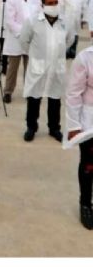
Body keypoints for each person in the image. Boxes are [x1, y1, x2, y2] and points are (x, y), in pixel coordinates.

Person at [20, 0, 70, 143]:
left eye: (55, 2)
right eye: (49, 3)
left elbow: (70, 39)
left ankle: (54, 128)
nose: (53, 6)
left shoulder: (64, 21)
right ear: (42, 5)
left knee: (55, 99)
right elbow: (24, 41)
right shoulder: (33, 21)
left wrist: (57, 53)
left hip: (57, 67)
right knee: (34, 99)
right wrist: (37, 56)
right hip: (38, 67)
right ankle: (31, 128)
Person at [66, 45, 93, 229]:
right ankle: (85, 204)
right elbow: (74, 93)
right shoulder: (85, 58)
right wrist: (74, 125)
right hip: (89, 121)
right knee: (89, 163)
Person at [4, 0, 41, 104]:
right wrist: (22, 33)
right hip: (16, 38)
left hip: (31, 38)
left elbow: (37, 16)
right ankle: (8, 91)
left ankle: (29, 91)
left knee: (30, 67)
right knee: (12, 67)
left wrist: (31, 32)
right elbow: (10, 20)